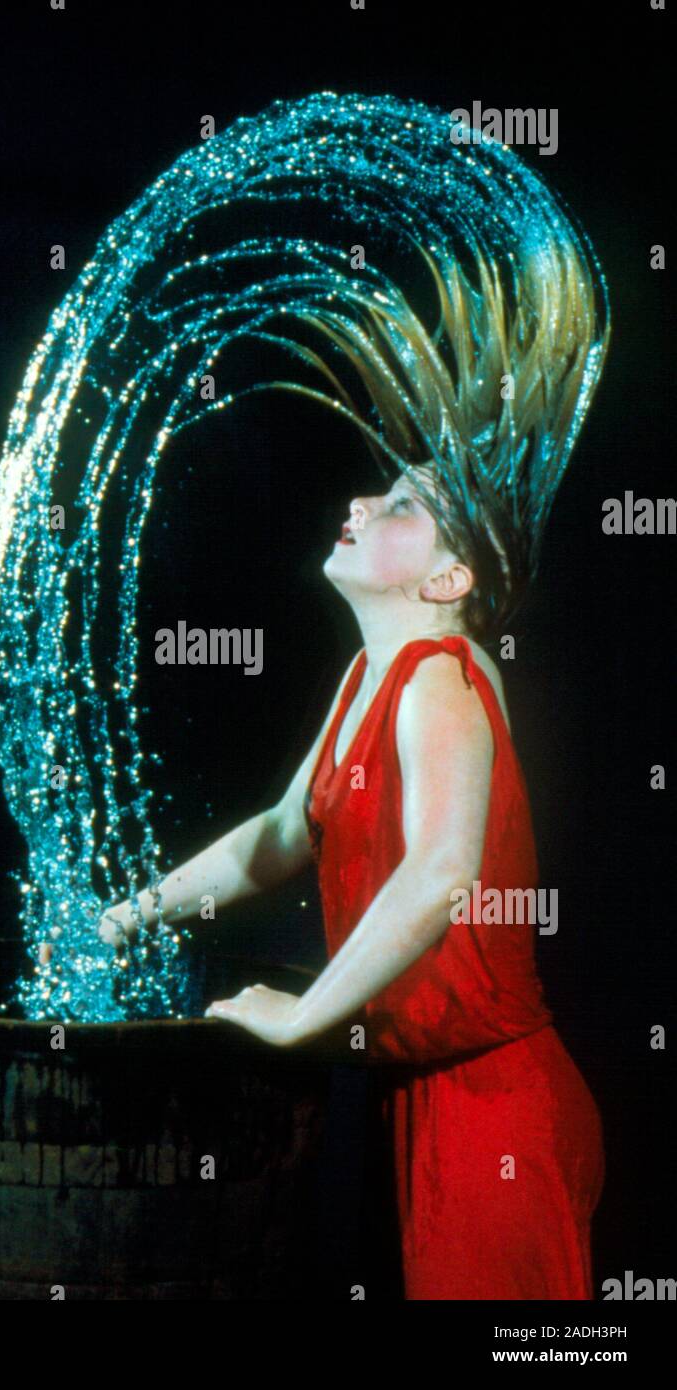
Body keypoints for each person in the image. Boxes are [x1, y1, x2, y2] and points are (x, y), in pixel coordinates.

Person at [91, 233, 610, 1299]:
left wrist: (301, 1013)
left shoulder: (439, 676)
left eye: (401, 508)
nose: (360, 507)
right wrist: (136, 911)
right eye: (378, 492)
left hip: (492, 1111)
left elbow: (440, 873)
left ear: (449, 575)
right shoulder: (363, 683)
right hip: (416, 1099)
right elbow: (279, 838)